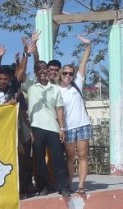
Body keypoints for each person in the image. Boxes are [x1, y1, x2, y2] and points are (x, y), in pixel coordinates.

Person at [27, 60, 72, 197]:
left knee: (58, 157)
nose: (41, 71)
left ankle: (63, 186)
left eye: (44, 69)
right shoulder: (31, 88)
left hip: (53, 127)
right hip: (36, 128)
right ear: (35, 72)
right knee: (39, 159)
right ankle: (43, 186)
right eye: (38, 69)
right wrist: (27, 53)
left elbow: (59, 109)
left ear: (48, 71)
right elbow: (20, 74)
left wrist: (62, 128)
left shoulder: (55, 89)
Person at [59, 36, 93, 194]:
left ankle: (81, 185)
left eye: (70, 73)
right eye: (65, 73)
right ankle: (69, 185)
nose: (67, 76)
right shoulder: (57, 90)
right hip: (68, 128)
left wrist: (88, 46)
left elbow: (83, 63)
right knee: (70, 158)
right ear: (61, 74)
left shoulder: (77, 84)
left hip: (83, 125)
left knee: (83, 155)